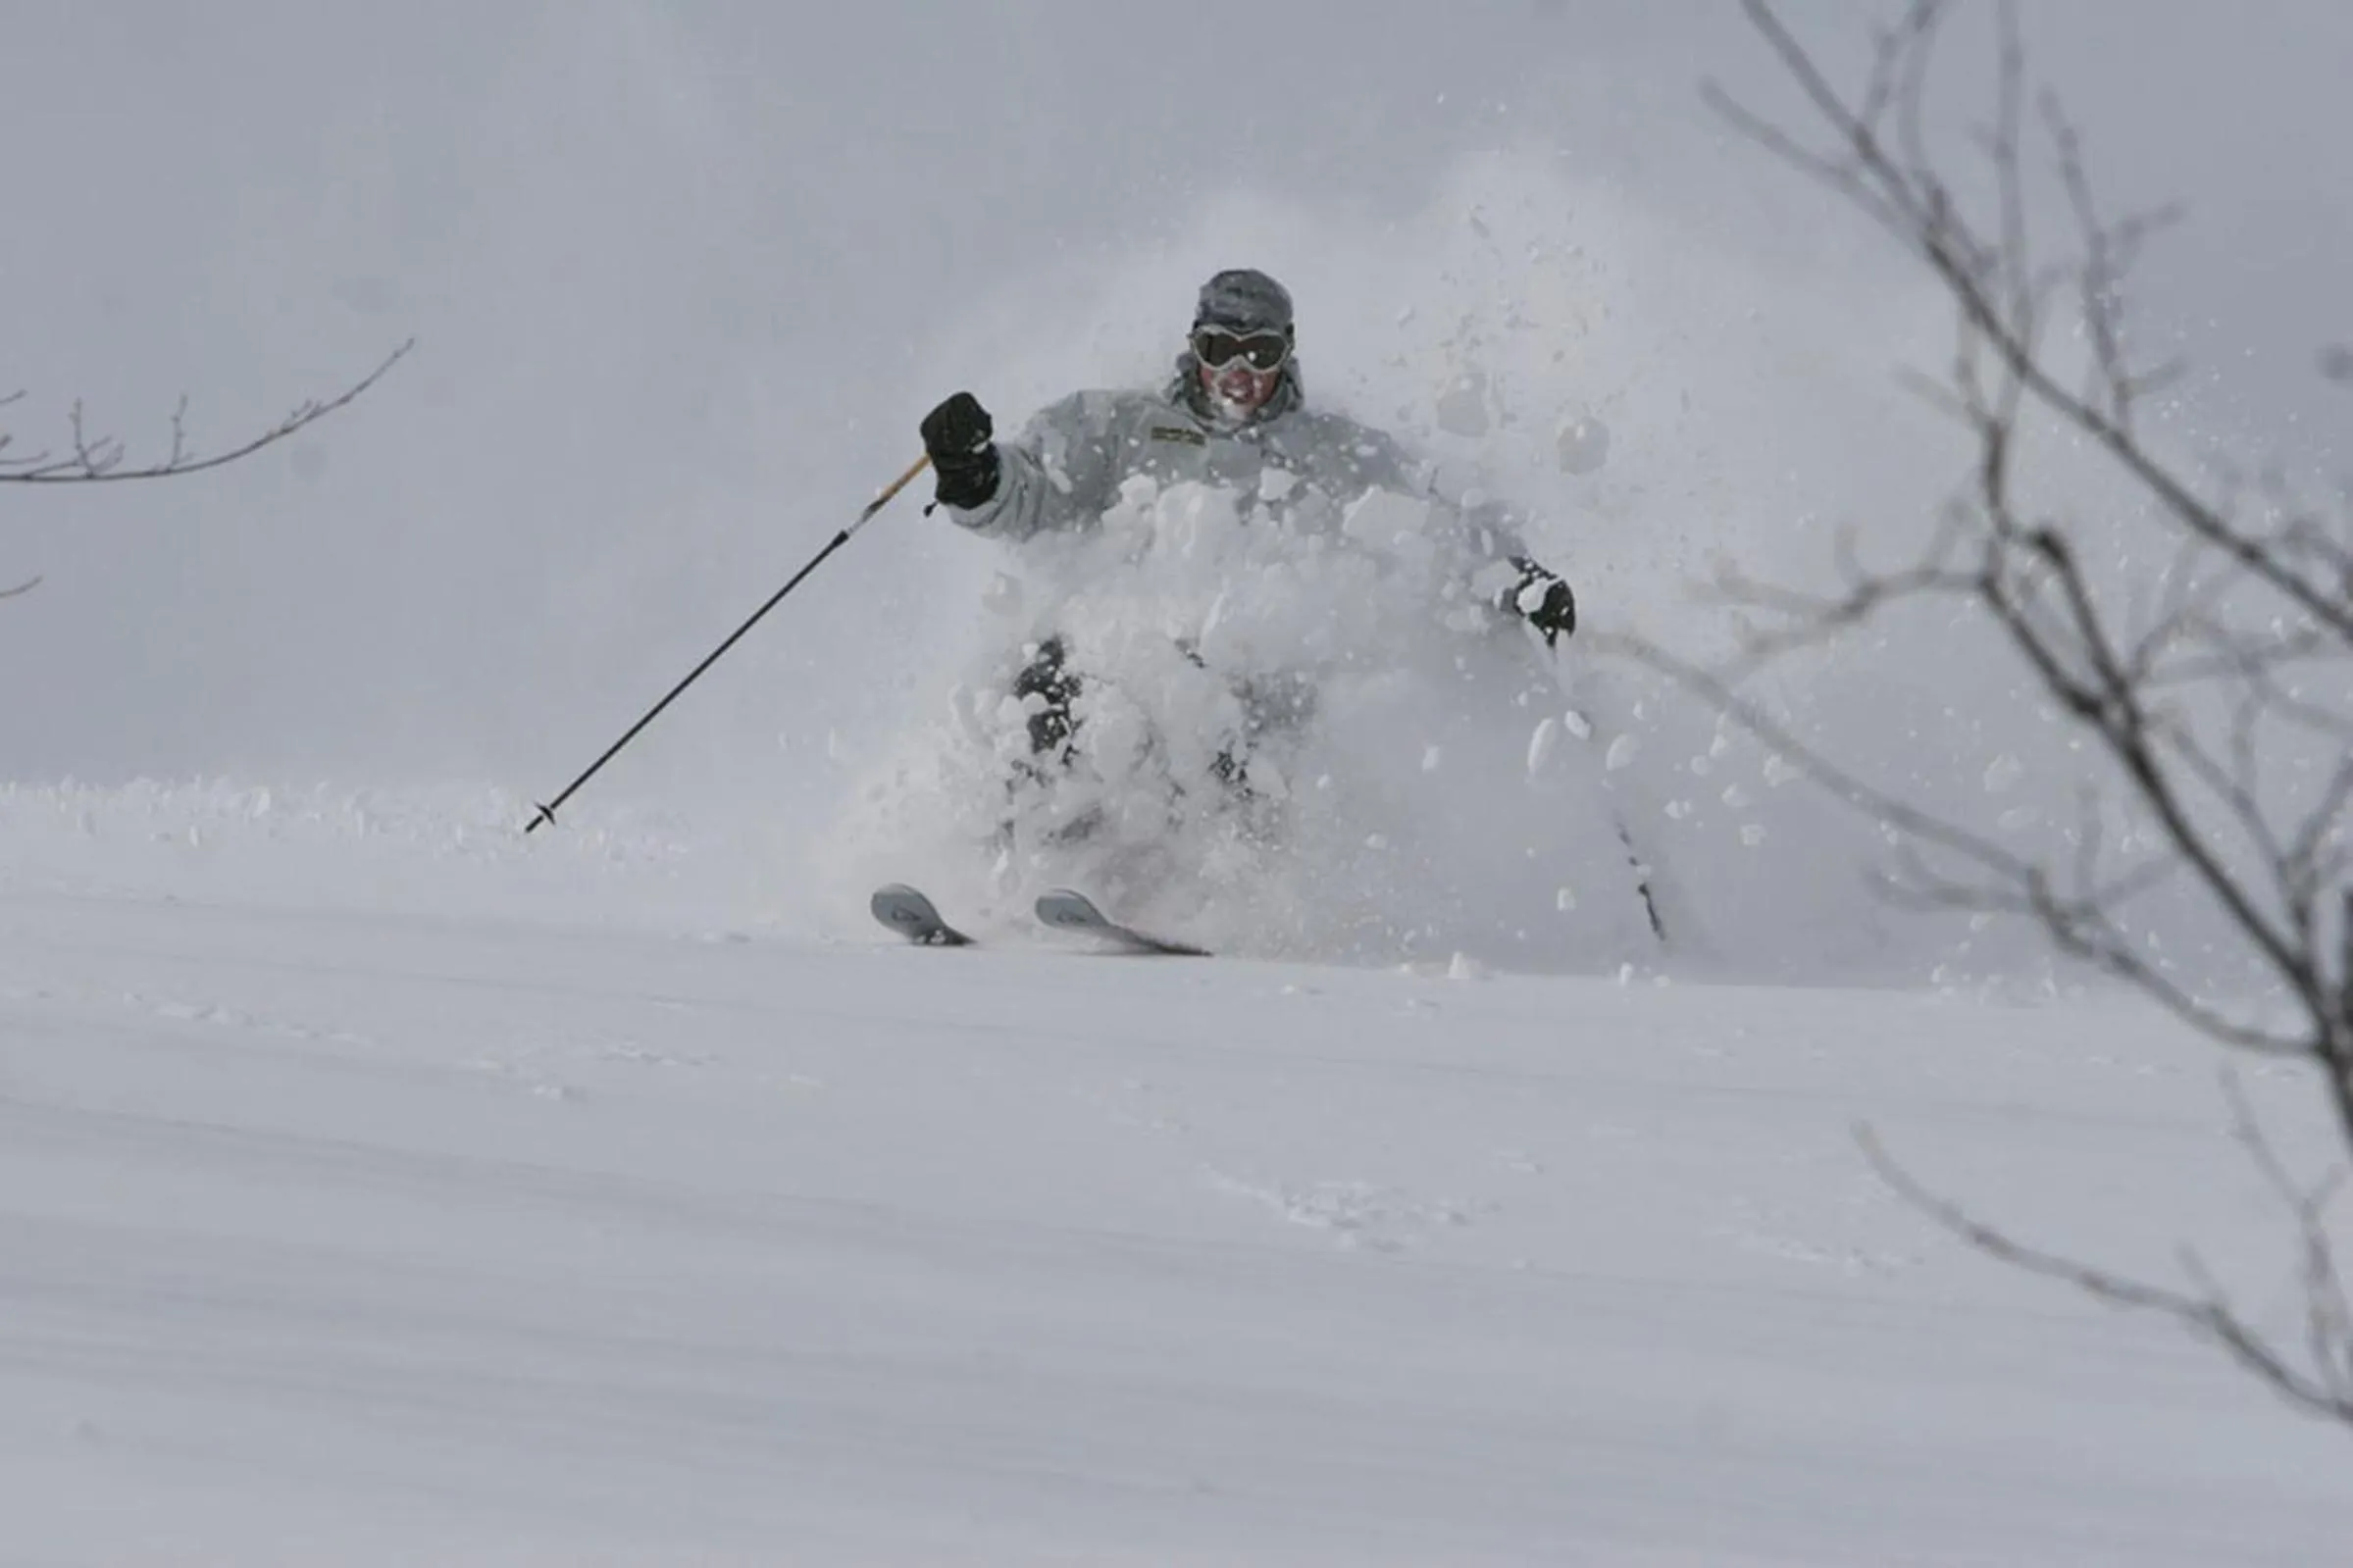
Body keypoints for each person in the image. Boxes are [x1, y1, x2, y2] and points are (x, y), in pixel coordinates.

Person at [917, 267, 1577, 802]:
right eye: (1218, 349)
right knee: (1046, 675)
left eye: (1259, 351)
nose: (1239, 371)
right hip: (1127, 652)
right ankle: (1015, 851)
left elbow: (1426, 529)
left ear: (1286, 353)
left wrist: (1510, 580)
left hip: (1249, 673)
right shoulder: (1122, 425)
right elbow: (1034, 494)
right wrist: (973, 472)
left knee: (1235, 714)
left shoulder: (1334, 451)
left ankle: (1232, 888)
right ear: (1193, 348)